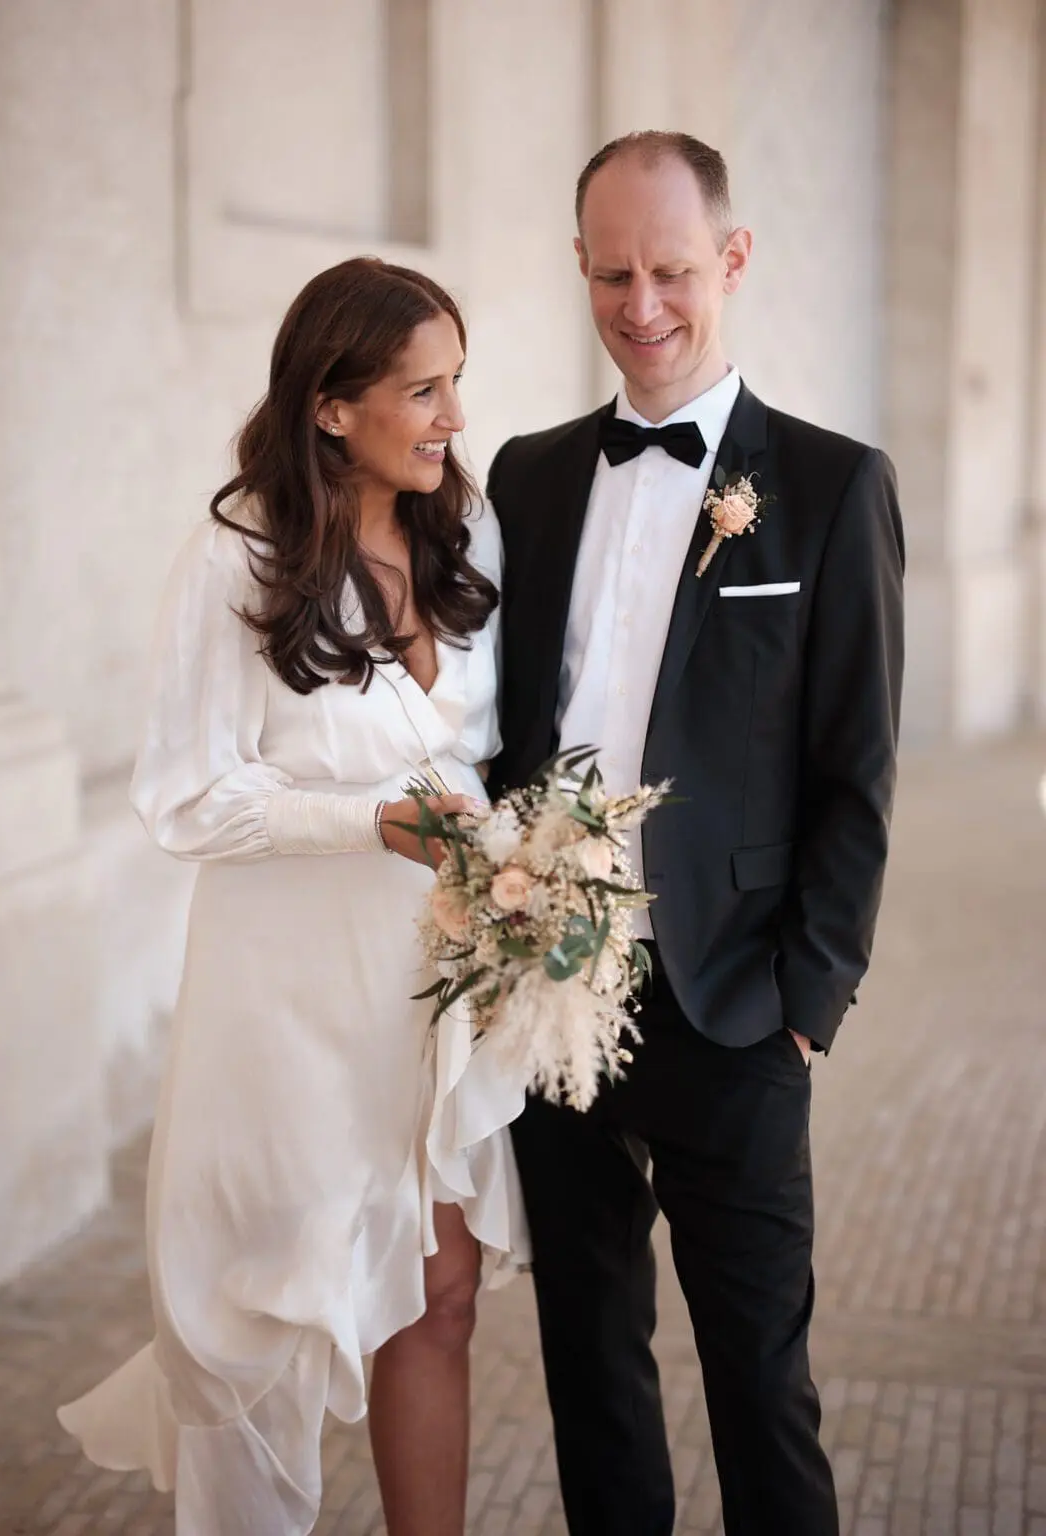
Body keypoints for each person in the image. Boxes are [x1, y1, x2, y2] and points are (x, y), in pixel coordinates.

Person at [57, 257, 528, 1536]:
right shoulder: (237, 559)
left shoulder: (466, 530)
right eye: (423, 392)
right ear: (331, 406)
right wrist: (367, 821)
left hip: (433, 991)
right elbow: (185, 798)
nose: (452, 419)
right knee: (267, 1324)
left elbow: (480, 755)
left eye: (456, 386)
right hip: (289, 1007)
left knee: (439, 1298)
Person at [486, 131, 904, 1536]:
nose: (641, 305)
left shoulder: (836, 488)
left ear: (731, 261)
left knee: (760, 1388)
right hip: (553, 1002)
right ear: (582, 270)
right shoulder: (528, 478)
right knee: (591, 1373)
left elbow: (857, 767)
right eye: (612, 273)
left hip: (732, 1001)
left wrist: (810, 993)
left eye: (671, 270)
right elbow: (503, 728)